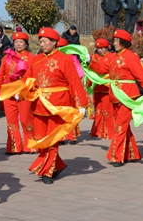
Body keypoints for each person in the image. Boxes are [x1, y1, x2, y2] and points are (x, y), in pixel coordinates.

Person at [7, 27, 88, 184]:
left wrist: (82, 103)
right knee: (41, 137)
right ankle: (57, 165)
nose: (42, 44)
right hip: (39, 104)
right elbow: (27, 78)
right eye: (40, 41)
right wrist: (19, 91)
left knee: (52, 138)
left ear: (54, 42)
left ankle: (47, 171)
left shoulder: (64, 59)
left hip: (57, 105)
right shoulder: (36, 59)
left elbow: (75, 82)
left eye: (45, 41)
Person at [107, 29, 143, 166]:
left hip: (127, 97)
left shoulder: (131, 57)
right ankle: (132, 153)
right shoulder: (114, 56)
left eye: (117, 41)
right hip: (115, 96)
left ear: (124, 43)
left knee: (121, 126)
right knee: (123, 126)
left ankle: (116, 156)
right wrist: (88, 63)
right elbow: (103, 70)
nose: (114, 43)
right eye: (114, 40)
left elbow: (141, 76)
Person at [0, 32, 36, 154]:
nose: (18, 44)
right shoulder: (6, 58)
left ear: (26, 44)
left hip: (24, 92)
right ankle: (13, 146)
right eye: (16, 42)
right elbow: (1, 74)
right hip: (8, 92)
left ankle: (30, 145)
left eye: (21, 42)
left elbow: (32, 76)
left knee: (26, 119)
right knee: (11, 121)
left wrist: (23, 89)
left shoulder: (31, 58)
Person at [88, 38, 116, 139]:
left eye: (102, 48)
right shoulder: (94, 57)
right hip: (97, 88)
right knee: (98, 111)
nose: (100, 50)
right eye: (98, 48)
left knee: (108, 111)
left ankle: (110, 133)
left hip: (107, 88)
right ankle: (97, 131)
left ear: (107, 48)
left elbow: (104, 69)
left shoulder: (112, 57)